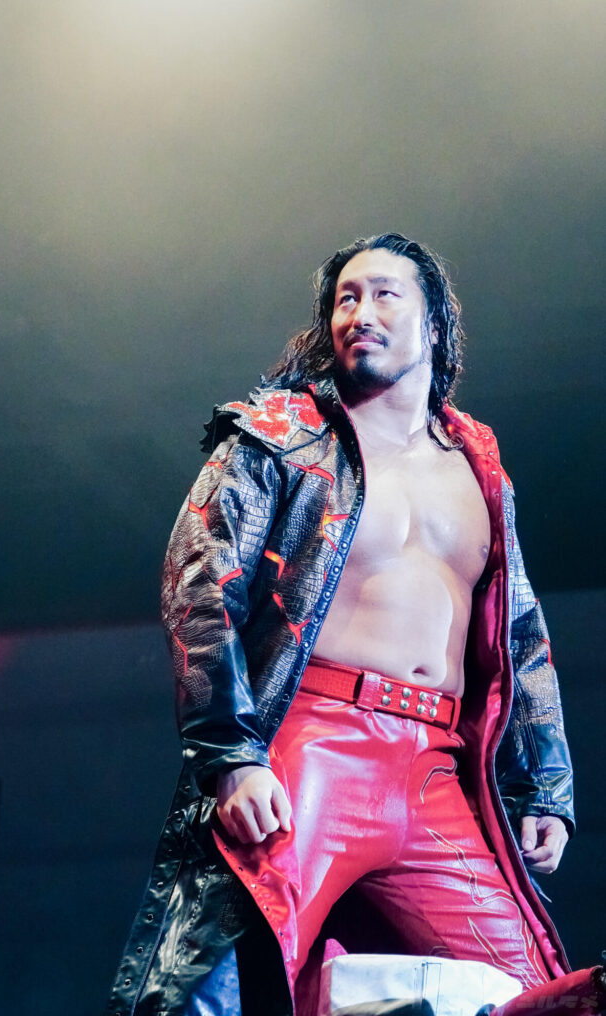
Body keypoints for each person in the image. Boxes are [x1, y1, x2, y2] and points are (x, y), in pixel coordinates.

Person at [104, 233, 579, 1016]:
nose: (360, 312)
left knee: (536, 994)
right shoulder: (280, 434)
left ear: (434, 325)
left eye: (385, 294)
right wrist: (231, 756)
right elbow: (198, 583)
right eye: (346, 298)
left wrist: (544, 785)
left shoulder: (481, 467)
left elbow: (520, 633)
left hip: (436, 769)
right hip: (317, 745)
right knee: (212, 986)